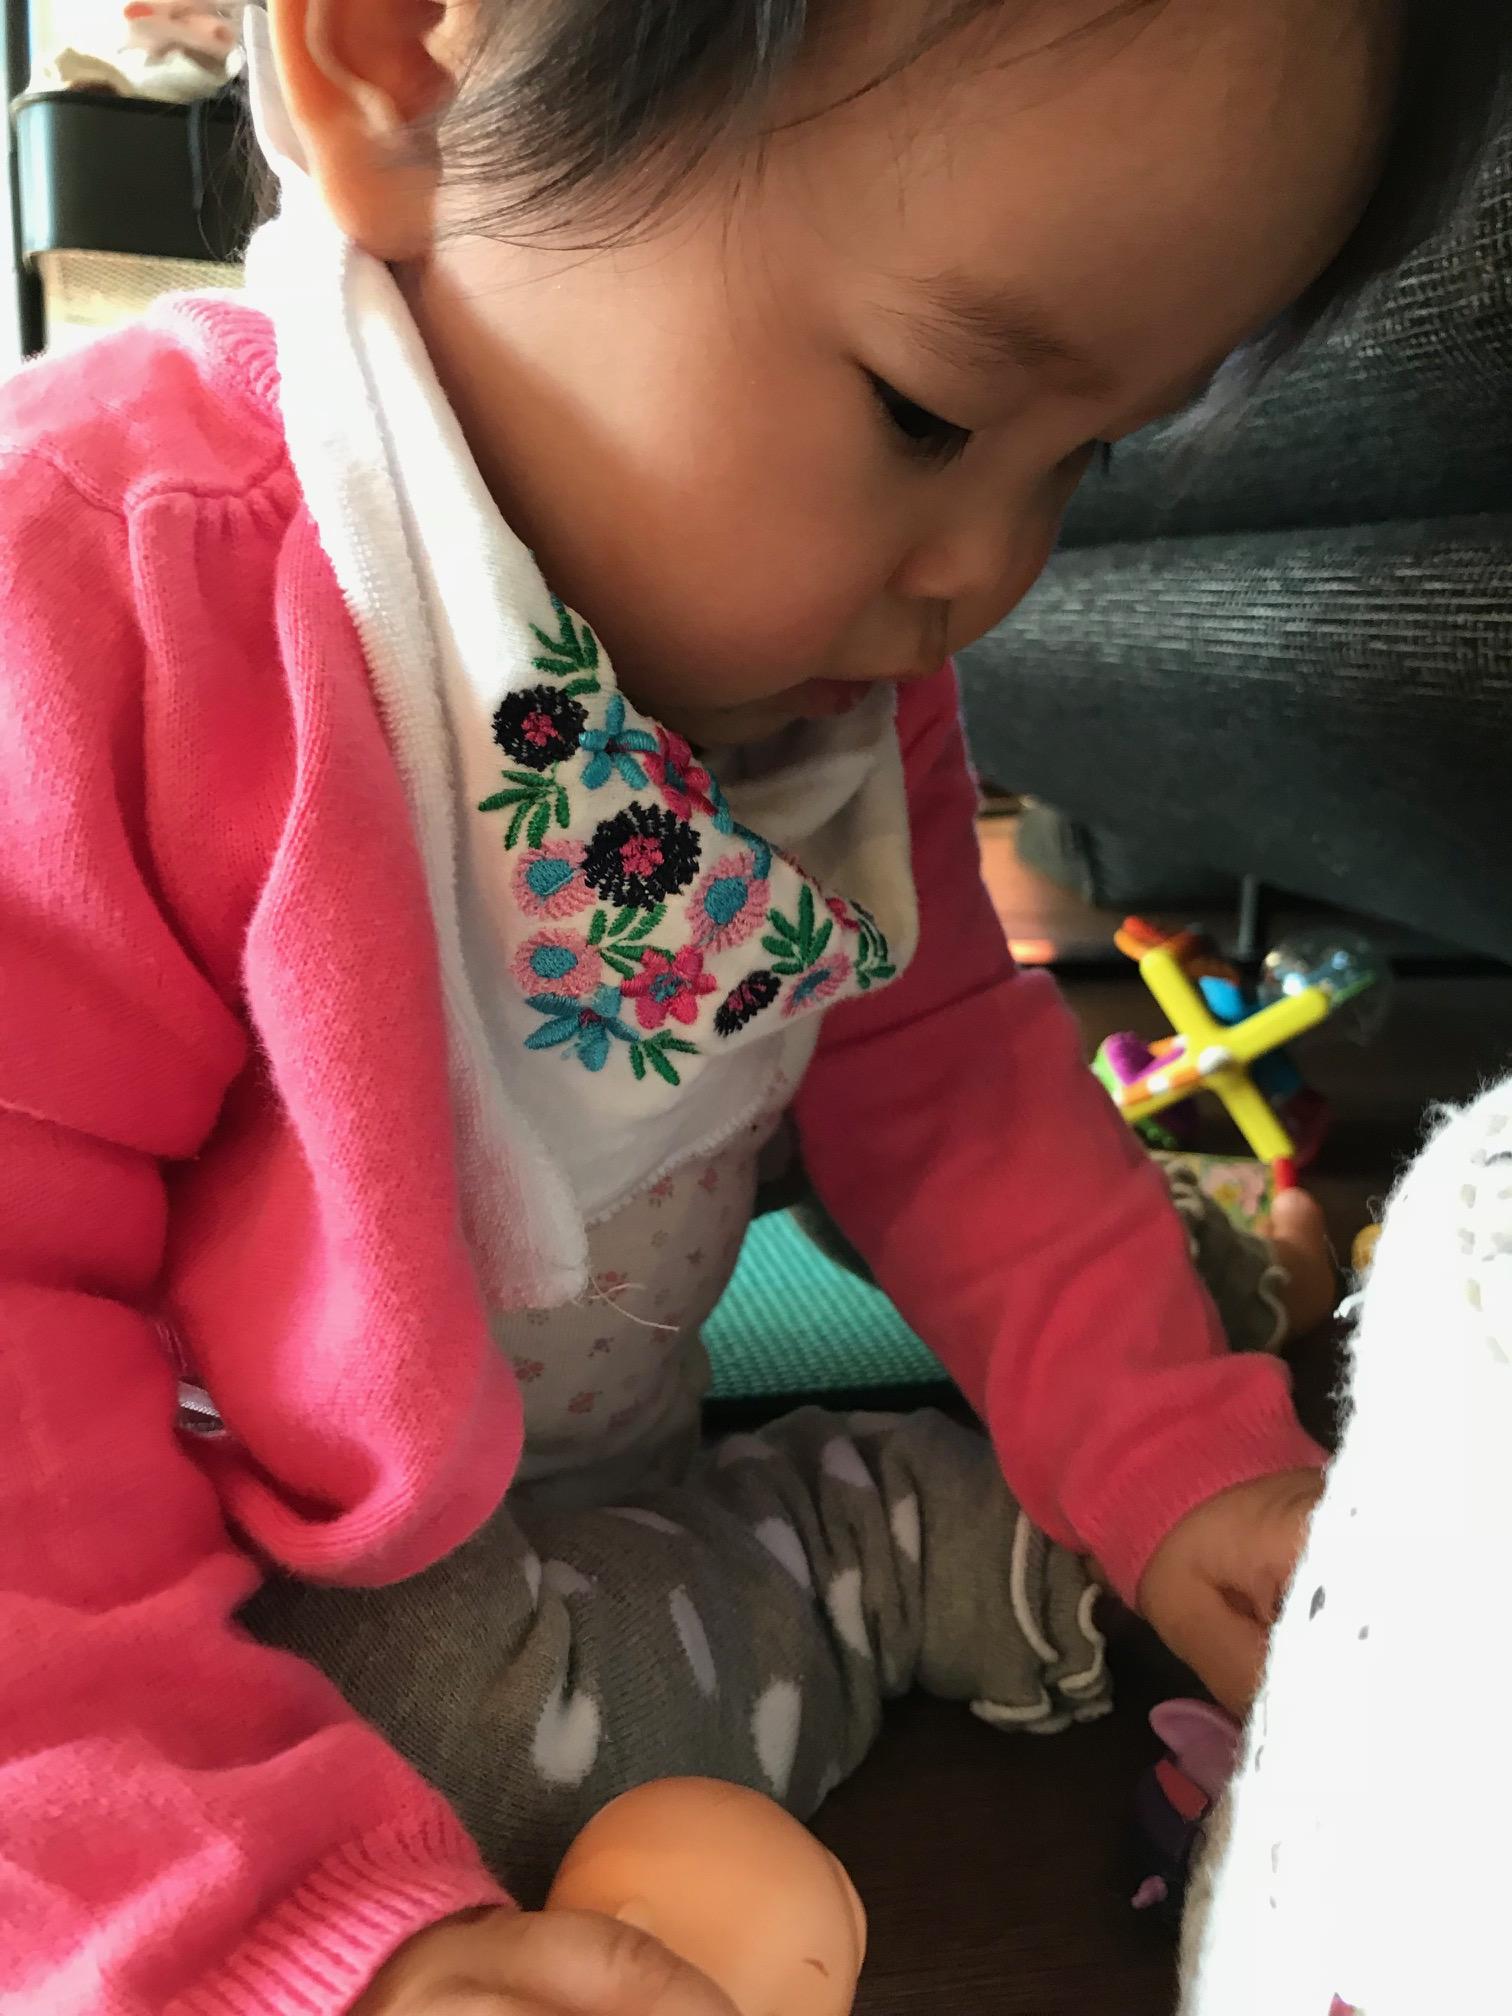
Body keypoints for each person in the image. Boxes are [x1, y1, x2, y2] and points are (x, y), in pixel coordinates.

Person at [0, 1, 1502, 2009]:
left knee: (1082, 1286)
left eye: (1088, 460)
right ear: (402, 60)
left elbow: (941, 1065)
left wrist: (1169, 1450)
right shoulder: (105, 603)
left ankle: (1043, 1426)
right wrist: (273, 1927)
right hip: (255, 1550)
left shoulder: (830, 685)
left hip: (588, 1439)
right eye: (930, 414)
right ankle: (884, 1548)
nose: (989, 573)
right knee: (421, 1741)